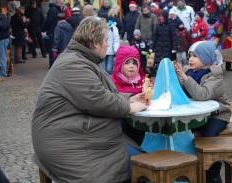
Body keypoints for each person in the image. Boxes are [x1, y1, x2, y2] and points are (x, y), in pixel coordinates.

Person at [32, 17, 148, 183]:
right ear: (95, 43)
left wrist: (129, 98)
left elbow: (96, 94)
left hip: (77, 133)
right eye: (106, 40)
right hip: (69, 143)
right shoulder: (73, 64)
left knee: (138, 156)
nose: (108, 45)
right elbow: (99, 100)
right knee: (140, 167)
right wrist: (131, 107)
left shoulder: (79, 59)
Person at [174, 40, 231, 183]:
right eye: (190, 56)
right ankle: (191, 169)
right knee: (184, 133)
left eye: (195, 56)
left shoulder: (215, 76)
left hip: (217, 115)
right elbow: (181, 90)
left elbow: (202, 95)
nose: (190, 59)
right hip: (198, 114)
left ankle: (213, 173)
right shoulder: (190, 72)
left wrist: (184, 78)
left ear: (206, 59)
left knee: (208, 138)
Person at [43, 0, 63, 67]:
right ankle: (52, 64)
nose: (62, 5)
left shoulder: (56, 9)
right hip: (52, 31)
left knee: (54, 48)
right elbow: (49, 21)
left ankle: (54, 63)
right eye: (61, 3)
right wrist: (45, 29)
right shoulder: (54, 10)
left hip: (54, 31)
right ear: (57, 3)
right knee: (52, 48)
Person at [0, 10, 10, 81]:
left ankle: (2, 74)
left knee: (2, 56)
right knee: (3, 56)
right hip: (4, 38)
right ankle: (2, 73)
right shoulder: (2, 17)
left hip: (1, 39)